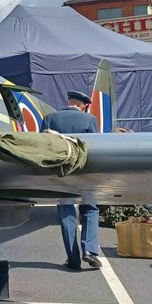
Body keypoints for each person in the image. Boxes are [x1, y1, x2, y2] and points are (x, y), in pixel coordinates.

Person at [41, 89, 103, 270]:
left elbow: (41, 145)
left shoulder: (50, 118)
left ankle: (73, 259)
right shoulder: (89, 120)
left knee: (66, 213)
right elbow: (94, 148)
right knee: (90, 208)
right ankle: (90, 251)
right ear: (83, 106)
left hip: (60, 173)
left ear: (69, 101)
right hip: (84, 172)